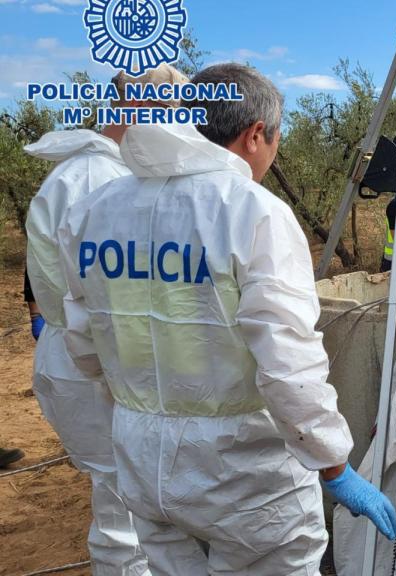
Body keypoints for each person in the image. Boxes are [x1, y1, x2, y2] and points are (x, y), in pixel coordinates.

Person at [56, 63, 396, 575]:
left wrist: (147, 405)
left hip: (141, 459)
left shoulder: (94, 212)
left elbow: (85, 345)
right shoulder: (254, 212)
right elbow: (287, 365)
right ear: (255, 134)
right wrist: (334, 465)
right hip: (242, 474)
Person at [24, 63, 193, 575]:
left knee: (122, 495)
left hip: (85, 356)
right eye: (170, 114)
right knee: (125, 508)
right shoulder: (100, 179)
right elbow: (104, 296)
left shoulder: (93, 171)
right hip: (94, 363)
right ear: (137, 109)